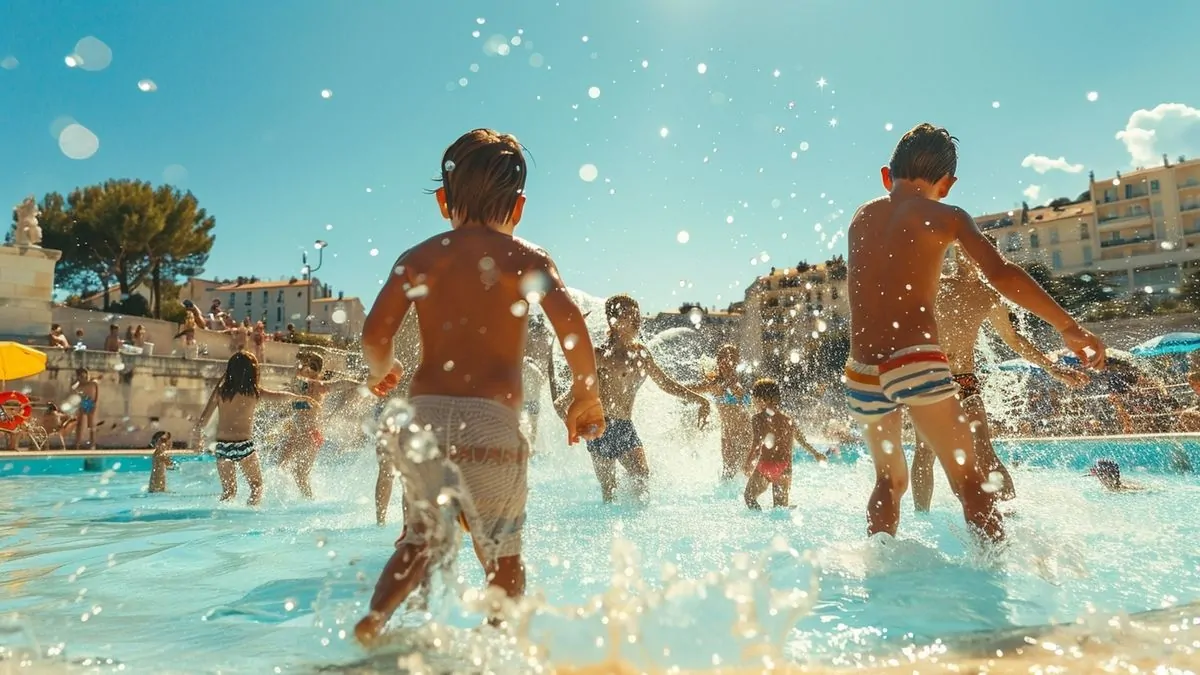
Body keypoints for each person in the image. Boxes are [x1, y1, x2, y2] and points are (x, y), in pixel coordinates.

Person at [355, 128, 605, 644]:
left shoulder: (420, 258)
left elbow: (375, 334)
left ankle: (373, 621)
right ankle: (498, 644)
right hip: (492, 422)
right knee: (502, 553)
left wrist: (382, 371)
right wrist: (585, 394)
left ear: (444, 201)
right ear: (519, 207)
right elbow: (572, 329)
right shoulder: (527, 259)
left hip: (424, 419)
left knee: (419, 540)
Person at [843, 123, 1106, 542]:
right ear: (947, 184)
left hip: (861, 372)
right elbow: (1001, 273)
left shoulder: (862, 216)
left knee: (888, 482)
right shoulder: (948, 216)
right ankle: (993, 570)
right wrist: (1067, 326)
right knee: (969, 481)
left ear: (886, 176)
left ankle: (882, 563)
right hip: (914, 360)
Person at [910, 240, 1090, 512]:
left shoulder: (989, 295)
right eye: (965, 251)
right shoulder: (937, 285)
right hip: (929, 377)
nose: (970, 257)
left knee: (983, 448)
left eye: (978, 252)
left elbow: (1013, 340)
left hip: (964, 379)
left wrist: (1051, 367)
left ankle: (1011, 511)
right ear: (956, 253)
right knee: (926, 450)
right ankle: (922, 516)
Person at [564, 293, 710, 503]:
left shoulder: (642, 354)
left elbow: (665, 383)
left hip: (624, 426)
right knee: (609, 493)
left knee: (642, 478)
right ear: (613, 322)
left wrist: (700, 400)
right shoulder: (599, 355)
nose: (636, 320)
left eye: (637, 315)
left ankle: (635, 521)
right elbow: (571, 394)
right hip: (598, 427)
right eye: (628, 315)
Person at [194, 351, 316, 506]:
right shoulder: (254, 393)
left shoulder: (220, 392)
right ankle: (251, 510)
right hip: (244, 446)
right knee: (256, 487)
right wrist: (300, 398)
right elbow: (278, 396)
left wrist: (199, 439)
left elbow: (202, 421)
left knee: (229, 492)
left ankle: (222, 515)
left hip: (223, 447)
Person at [277, 352, 361, 498]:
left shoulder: (319, 387)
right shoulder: (298, 386)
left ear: (313, 371)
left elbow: (341, 384)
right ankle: (288, 495)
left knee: (300, 474)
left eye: (304, 367)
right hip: (297, 432)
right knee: (282, 464)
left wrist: (361, 385)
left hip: (311, 434)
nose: (300, 369)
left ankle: (309, 500)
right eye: (301, 366)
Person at [742, 378, 826, 510]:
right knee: (780, 509)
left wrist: (748, 462)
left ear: (763, 400)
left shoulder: (758, 418)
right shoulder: (788, 419)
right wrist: (815, 453)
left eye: (755, 400)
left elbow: (756, 444)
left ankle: (758, 516)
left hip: (766, 465)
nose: (754, 403)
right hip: (784, 467)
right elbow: (801, 440)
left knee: (749, 497)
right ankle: (793, 510)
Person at [689, 343, 753, 480]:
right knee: (727, 475)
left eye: (731, 357)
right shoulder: (713, 383)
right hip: (727, 435)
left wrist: (730, 381)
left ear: (736, 361)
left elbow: (740, 394)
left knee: (745, 473)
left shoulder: (741, 380)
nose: (726, 359)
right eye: (722, 356)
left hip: (744, 433)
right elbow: (691, 389)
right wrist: (670, 386)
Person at [72, 368, 100, 449]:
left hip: (90, 402)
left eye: (85, 375)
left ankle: (92, 443)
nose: (84, 377)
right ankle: (78, 443)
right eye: (81, 376)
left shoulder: (93, 384)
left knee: (91, 424)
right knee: (79, 424)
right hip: (82, 402)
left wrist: (95, 403)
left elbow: (96, 394)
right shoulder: (78, 384)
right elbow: (73, 388)